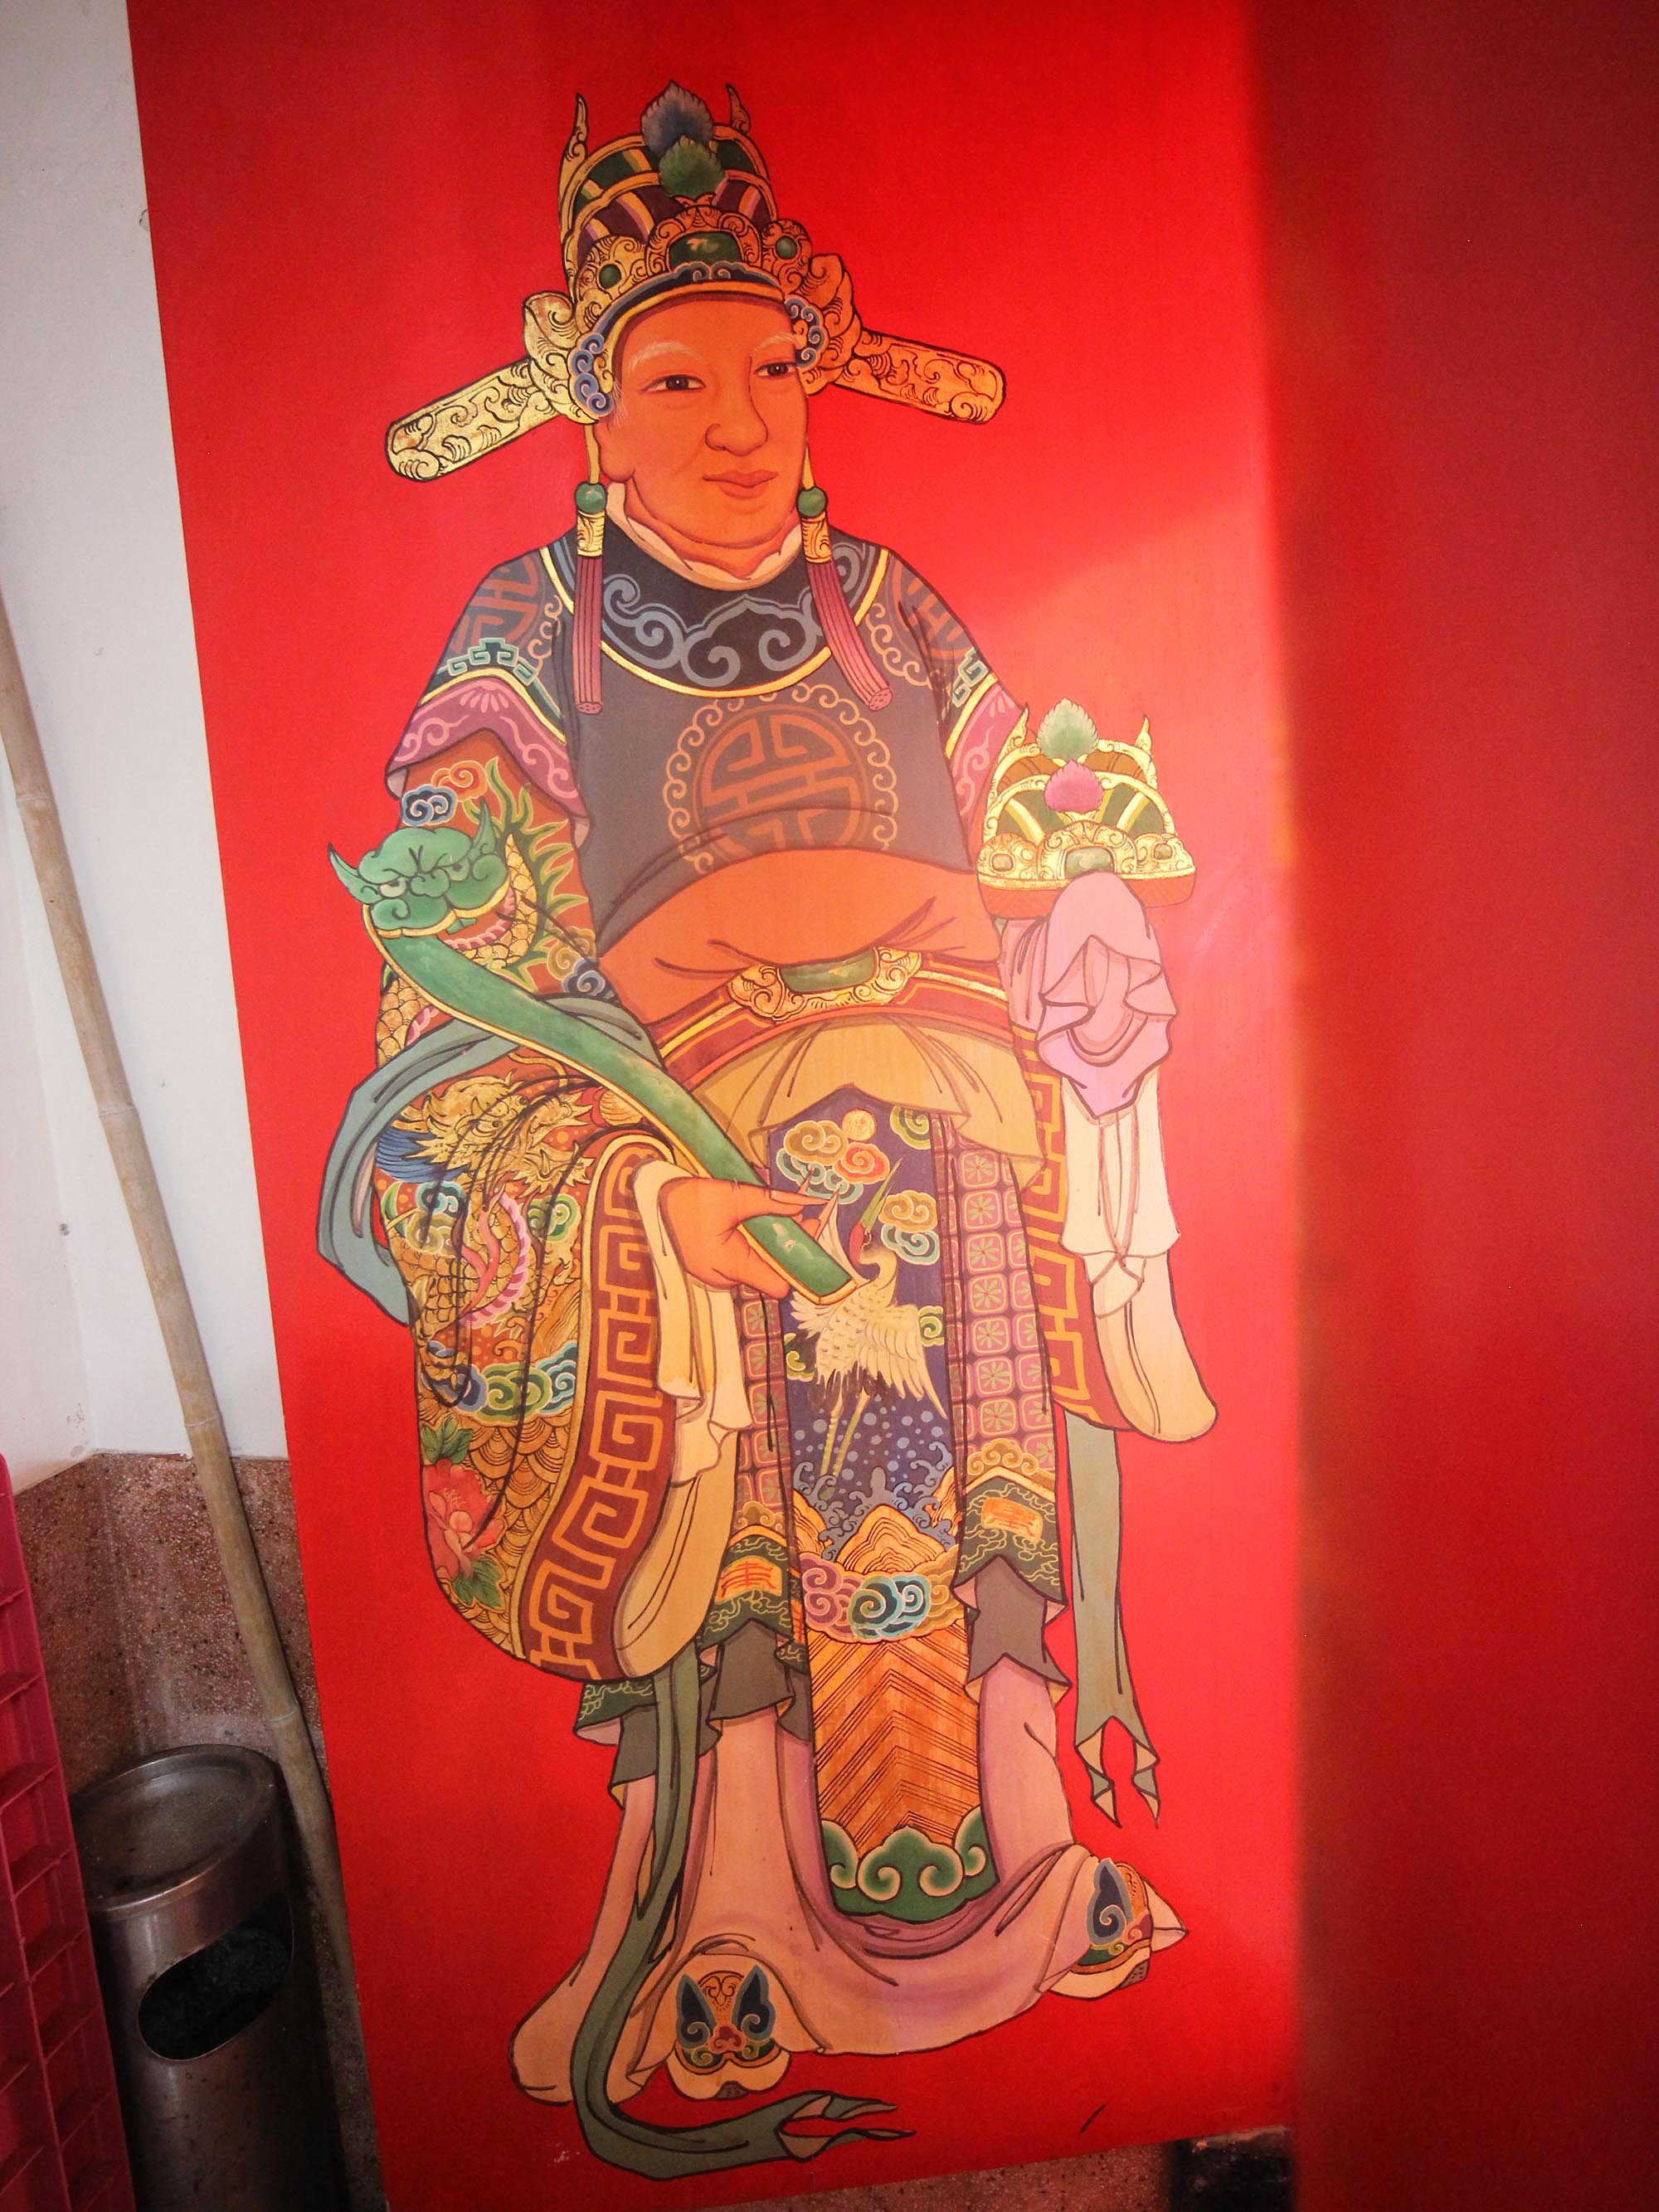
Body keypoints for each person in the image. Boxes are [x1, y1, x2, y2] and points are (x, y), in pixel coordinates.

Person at [322, 80, 1213, 2183]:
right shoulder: (523, 648)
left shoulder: (890, 608)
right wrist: (632, 1190)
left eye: (772, 370)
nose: (737, 422)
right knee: (723, 1516)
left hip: (955, 1150)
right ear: (592, 404)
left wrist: (1089, 934)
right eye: (677, 377)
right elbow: (452, 988)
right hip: (703, 1180)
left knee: (995, 1479)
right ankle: (721, 1914)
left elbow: (1046, 837)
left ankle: (1030, 1843)